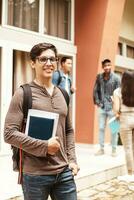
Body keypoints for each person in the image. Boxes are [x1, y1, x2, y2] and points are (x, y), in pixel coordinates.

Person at [4, 43, 79, 200]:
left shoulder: (64, 94)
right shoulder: (23, 93)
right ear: (32, 63)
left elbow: (68, 130)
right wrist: (45, 146)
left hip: (64, 172)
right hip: (34, 175)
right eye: (43, 59)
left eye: (52, 59)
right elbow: (9, 134)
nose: (49, 63)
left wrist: (72, 160)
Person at [93, 59, 121, 156]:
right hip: (102, 106)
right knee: (101, 128)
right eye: (105, 65)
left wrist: (118, 108)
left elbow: (119, 93)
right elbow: (95, 90)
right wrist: (97, 102)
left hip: (113, 107)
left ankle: (114, 149)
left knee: (114, 129)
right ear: (102, 67)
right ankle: (101, 149)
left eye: (109, 65)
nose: (107, 67)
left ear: (111, 66)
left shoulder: (117, 78)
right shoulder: (99, 77)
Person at [113, 70, 134, 182]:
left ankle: (130, 174)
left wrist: (114, 103)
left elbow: (116, 110)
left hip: (125, 119)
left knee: (128, 148)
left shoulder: (117, 92)